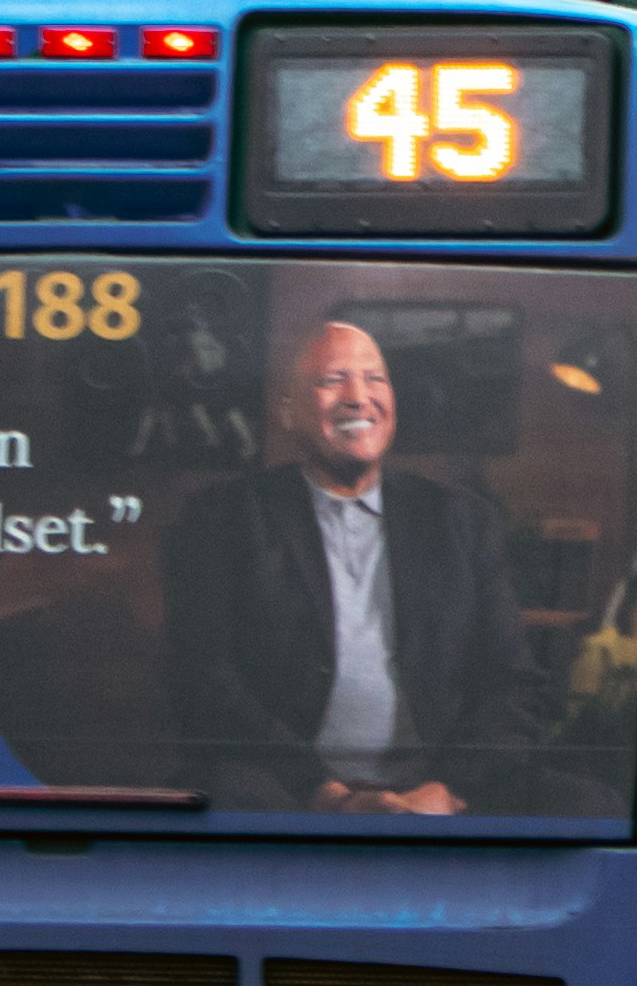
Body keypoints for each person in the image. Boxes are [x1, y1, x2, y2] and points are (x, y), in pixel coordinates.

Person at [167, 316, 548, 810]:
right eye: (331, 381)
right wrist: (325, 794)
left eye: (375, 378)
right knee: (226, 795)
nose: (358, 396)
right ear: (288, 411)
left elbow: (513, 681)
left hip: (435, 784)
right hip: (288, 787)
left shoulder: (460, 519)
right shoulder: (225, 518)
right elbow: (202, 680)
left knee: (587, 804)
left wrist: (447, 791)